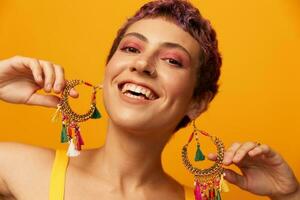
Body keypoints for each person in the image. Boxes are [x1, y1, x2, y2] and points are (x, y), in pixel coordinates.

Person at [0, 0, 299, 199]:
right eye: (131, 49)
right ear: (107, 74)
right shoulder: (15, 167)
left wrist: (290, 196)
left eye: (172, 60)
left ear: (197, 102)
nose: (142, 65)